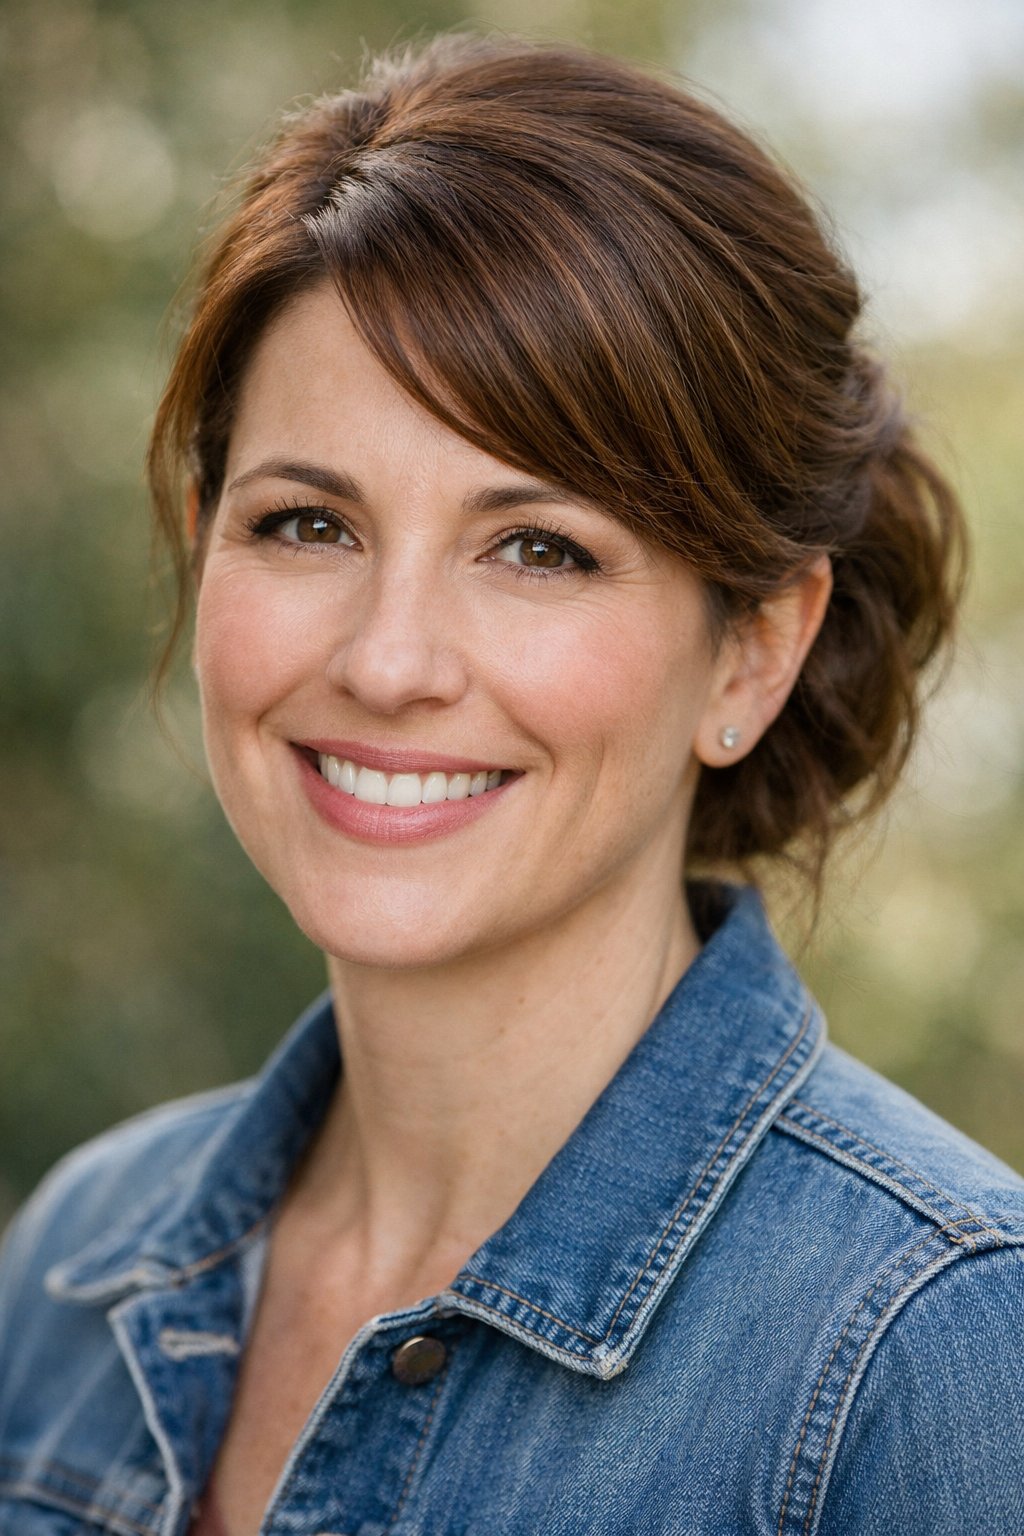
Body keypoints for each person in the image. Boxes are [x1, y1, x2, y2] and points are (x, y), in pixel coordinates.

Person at [1, 32, 1022, 1536]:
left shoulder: (932, 1353)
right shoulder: (83, 1261)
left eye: (538, 548)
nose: (391, 660)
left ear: (751, 653)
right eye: (306, 524)